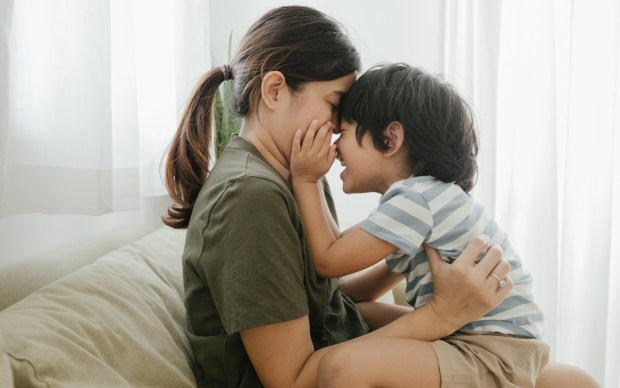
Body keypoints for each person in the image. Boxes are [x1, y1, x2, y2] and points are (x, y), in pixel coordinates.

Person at [161, 5, 601, 388]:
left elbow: (329, 297)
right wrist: (442, 315)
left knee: (571, 380)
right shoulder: (252, 196)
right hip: (326, 368)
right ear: (275, 91)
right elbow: (289, 378)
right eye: (335, 104)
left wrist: (404, 259)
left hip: (351, 340)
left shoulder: (297, 174)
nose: (338, 127)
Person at [290, 63, 548, 387]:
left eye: (343, 131)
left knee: (341, 365)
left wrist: (305, 179)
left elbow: (328, 260)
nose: (335, 146)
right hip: (486, 336)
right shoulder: (423, 197)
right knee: (358, 314)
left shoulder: (414, 201)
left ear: (390, 138)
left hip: (489, 347)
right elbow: (340, 252)